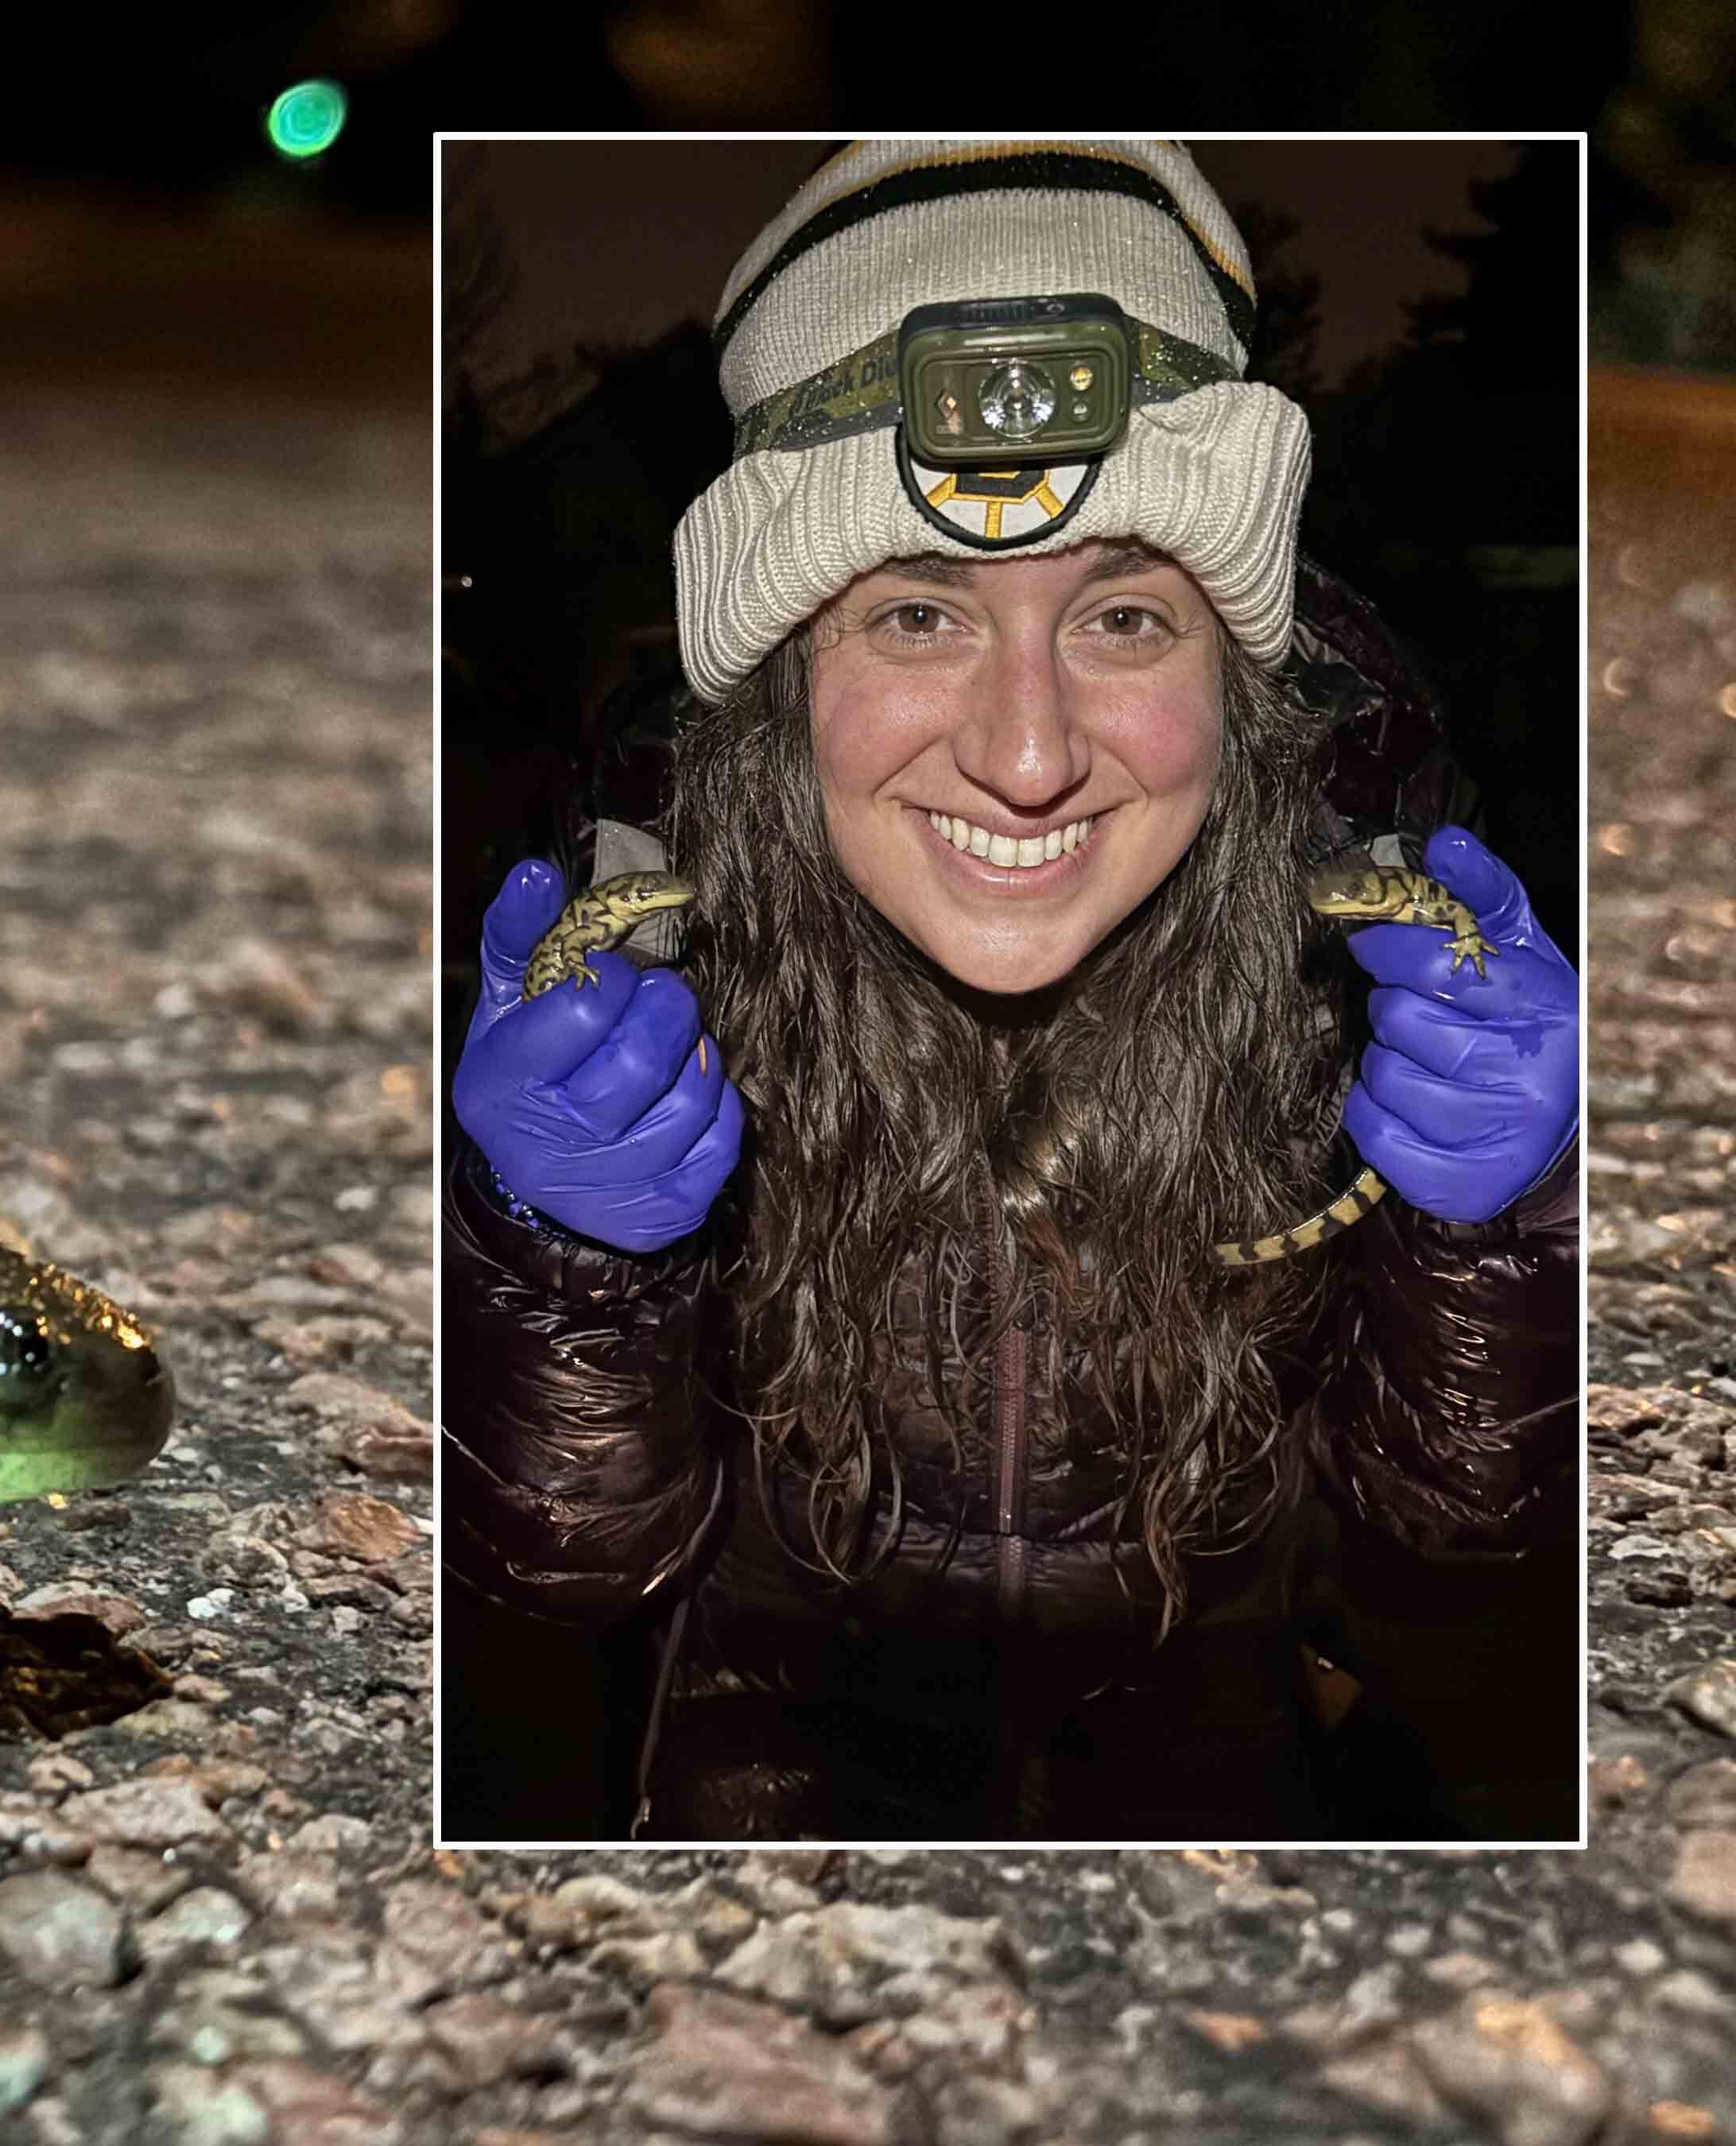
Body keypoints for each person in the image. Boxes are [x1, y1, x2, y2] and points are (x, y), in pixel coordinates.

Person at [441, 141, 1578, 1840]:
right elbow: (572, 1565)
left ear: (1241, 677)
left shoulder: (1360, 984)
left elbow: (1452, 1558)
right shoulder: (653, 980)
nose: (1030, 756)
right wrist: (561, 1269)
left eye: (1124, 616)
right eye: (915, 613)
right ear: (778, 692)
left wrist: (1502, 1241)